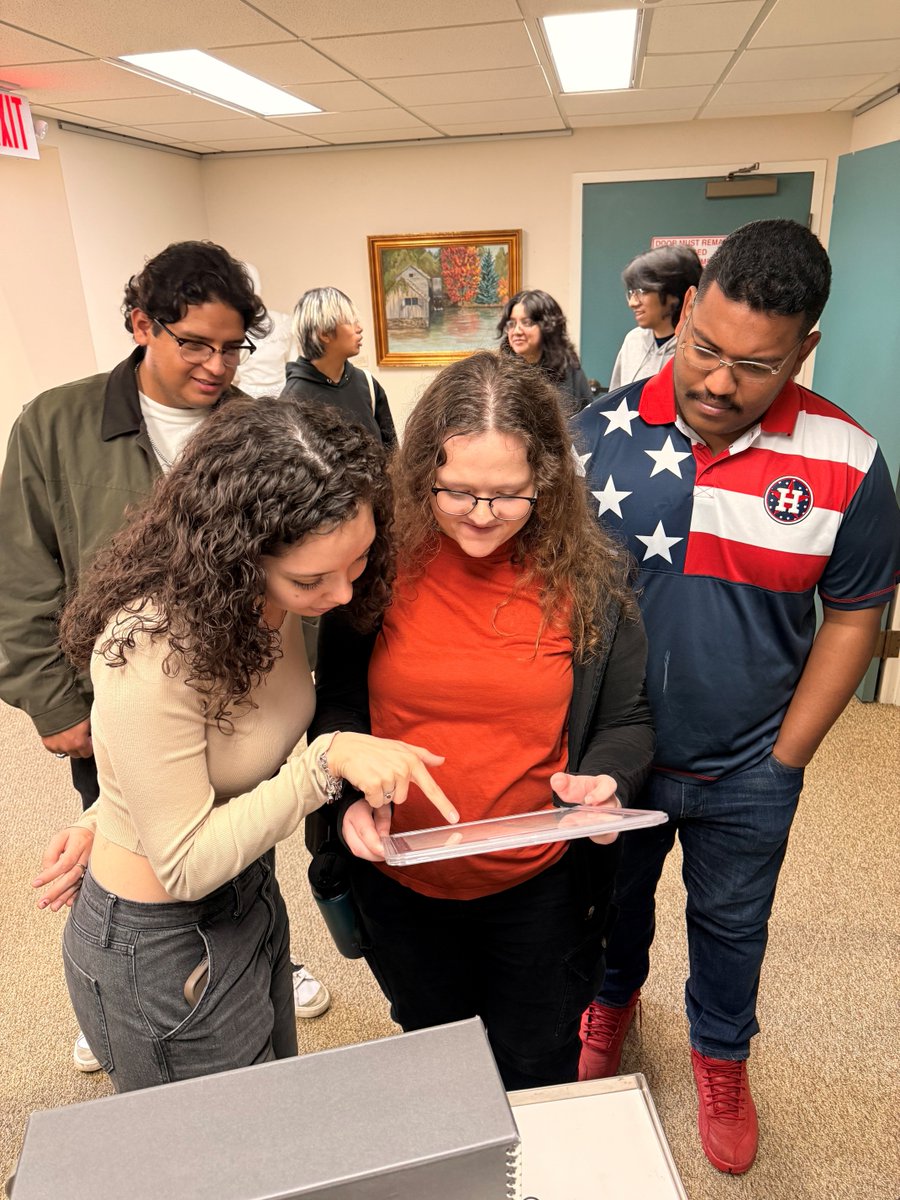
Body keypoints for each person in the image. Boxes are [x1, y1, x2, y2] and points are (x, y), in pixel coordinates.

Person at [572, 219, 900, 1174]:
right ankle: (610, 1005)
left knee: (731, 926)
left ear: (804, 349)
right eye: (701, 347)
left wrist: (787, 755)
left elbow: (852, 616)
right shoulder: (596, 435)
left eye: (753, 366)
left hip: (748, 763)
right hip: (610, 759)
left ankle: (721, 1058)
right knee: (609, 909)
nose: (716, 381)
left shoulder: (848, 460)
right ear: (681, 318)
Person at [32, 396, 458, 1095]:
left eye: (356, 563)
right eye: (312, 578)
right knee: (219, 1159)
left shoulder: (266, 601)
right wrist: (324, 763)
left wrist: (110, 808)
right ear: (238, 550)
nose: (342, 592)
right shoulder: (148, 646)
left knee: (273, 1113)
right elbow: (185, 863)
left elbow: (206, 753)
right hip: (164, 942)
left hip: (248, 891)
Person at [0, 241, 324, 1057]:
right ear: (143, 324)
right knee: (128, 845)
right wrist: (53, 702)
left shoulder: (255, 428)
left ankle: (248, 967)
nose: (217, 366)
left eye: (233, 347)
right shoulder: (56, 423)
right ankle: (137, 991)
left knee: (243, 828)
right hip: (120, 701)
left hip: (239, 694)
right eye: (195, 344)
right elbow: (19, 576)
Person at [308, 350, 655, 1090]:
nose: (482, 514)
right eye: (457, 491)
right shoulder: (372, 566)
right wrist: (343, 806)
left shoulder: (590, 579)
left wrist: (605, 778)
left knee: (537, 1062)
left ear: (547, 483)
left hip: (537, 888)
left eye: (509, 495)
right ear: (420, 472)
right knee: (438, 1064)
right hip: (403, 883)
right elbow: (334, 711)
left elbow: (627, 717)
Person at [283, 286, 396, 448]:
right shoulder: (292, 400)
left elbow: (391, 454)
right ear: (324, 334)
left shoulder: (368, 384)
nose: (359, 328)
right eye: (349, 322)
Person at [608, 245, 702, 390]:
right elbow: (615, 400)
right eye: (631, 292)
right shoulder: (633, 341)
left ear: (674, 294)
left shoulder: (700, 348)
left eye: (642, 291)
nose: (632, 303)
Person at [497, 288, 593, 412]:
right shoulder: (500, 373)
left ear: (547, 327)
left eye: (526, 323)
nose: (517, 331)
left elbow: (588, 420)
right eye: (511, 324)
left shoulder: (570, 371)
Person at [234, 263, 296, 399]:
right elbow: (293, 364)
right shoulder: (283, 322)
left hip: (249, 397)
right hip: (279, 396)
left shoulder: (233, 327)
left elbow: (234, 374)